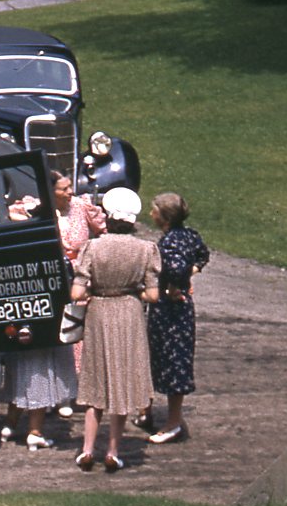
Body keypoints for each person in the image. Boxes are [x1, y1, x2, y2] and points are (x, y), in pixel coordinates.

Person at [70, 187, 160, 472]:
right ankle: (112, 451)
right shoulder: (146, 250)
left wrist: (91, 292)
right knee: (121, 382)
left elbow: (76, 293)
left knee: (96, 380)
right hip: (129, 313)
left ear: (108, 217)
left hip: (100, 312)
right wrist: (134, 295)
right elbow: (153, 296)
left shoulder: (93, 248)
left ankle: (86, 450)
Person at [0, 193, 76, 450]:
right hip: (45, 320)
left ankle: (9, 424)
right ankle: (35, 431)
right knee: (41, 373)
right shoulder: (52, 254)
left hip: (19, 318)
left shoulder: (14, 252)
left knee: (21, 372)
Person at [139, 192, 210, 445]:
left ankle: (173, 423)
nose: (150, 214)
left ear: (164, 216)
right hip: (179, 310)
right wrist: (191, 274)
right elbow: (202, 255)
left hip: (171, 311)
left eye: (154, 210)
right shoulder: (190, 236)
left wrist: (173, 285)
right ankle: (150, 414)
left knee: (171, 361)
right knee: (166, 359)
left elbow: (177, 267)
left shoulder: (169, 242)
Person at [51, 172, 105, 416]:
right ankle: (57, 393)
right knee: (56, 329)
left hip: (80, 276)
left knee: (77, 331)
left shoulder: (82, 206)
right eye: (64, 189)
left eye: (70, 186)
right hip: (53, 277)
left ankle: (77, 391)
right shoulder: (41, 209)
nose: (70, 191)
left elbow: (105, 230)